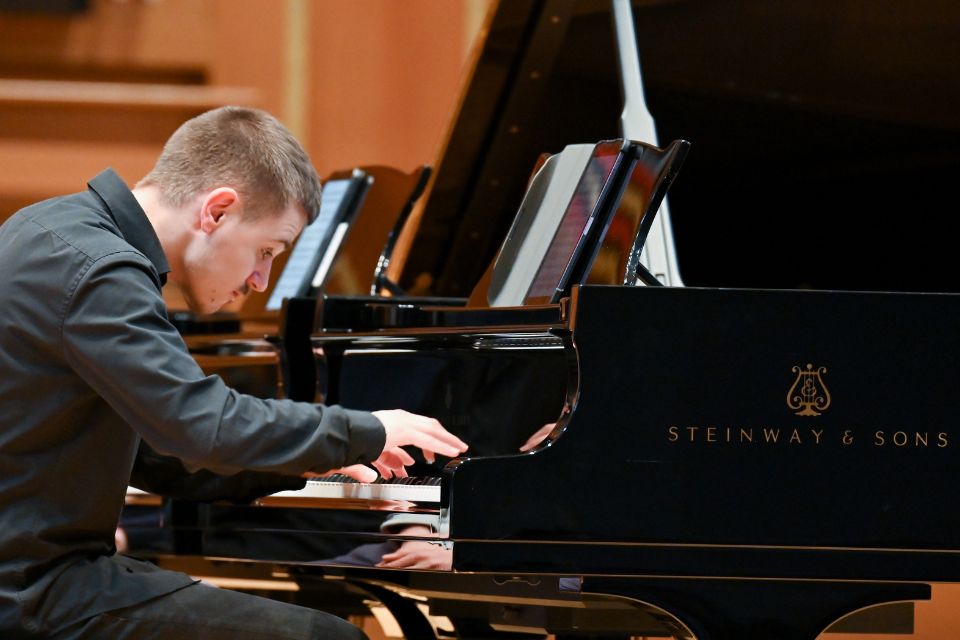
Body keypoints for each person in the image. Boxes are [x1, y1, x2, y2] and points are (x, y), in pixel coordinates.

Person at [0, 105, 468, 640]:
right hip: (33, 592)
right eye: (266, 251)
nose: (262, 280)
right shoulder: (101, 270)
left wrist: (305, 468)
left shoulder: (50, 228)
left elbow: (156, 457)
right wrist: (367, 430)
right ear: (217, 211)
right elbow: (202, 427)